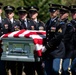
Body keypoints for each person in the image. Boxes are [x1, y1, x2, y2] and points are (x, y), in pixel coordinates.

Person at [42, 4, 66, 75]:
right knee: (47, 71)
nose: (52, 13)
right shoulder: (48, 22)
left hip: (57, 51)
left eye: (54, 11)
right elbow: (47, 36)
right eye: (51, 11)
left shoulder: (61, 23)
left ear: (58, 12)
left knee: (56, 70)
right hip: (49, 52)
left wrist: (47, 46)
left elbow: (58, 37)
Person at [1, 5, 21, 75]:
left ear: (13, 13)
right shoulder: (3, 22)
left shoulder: (18, 23)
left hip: (16, 47)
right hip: (5, 47)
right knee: (5, 66)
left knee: (15, 66)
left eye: (10, 13)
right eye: (7, 13)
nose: (8, 14)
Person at [27, 6, 45, 75]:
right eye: (31, 12)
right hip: (29, 50)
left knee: (40, 70)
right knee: (29, 70)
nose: (32, 14)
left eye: (34, 12)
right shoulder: (26, 24)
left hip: (39, 51)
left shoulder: (42, 24)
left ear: (37, 14)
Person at [59, 5, 73, 75]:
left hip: (67, 51)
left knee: (66, 69)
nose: (61, 14)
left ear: (67, 14)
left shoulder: (69, 25)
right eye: (60, 12)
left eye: (63, 13)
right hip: (59, 51)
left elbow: (66, 38)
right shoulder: (57, 23)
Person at [69, 5, 76, 75]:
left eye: (75, 12)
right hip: (71, 50)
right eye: (72, 12)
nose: (73, 14)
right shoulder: (69, 24)